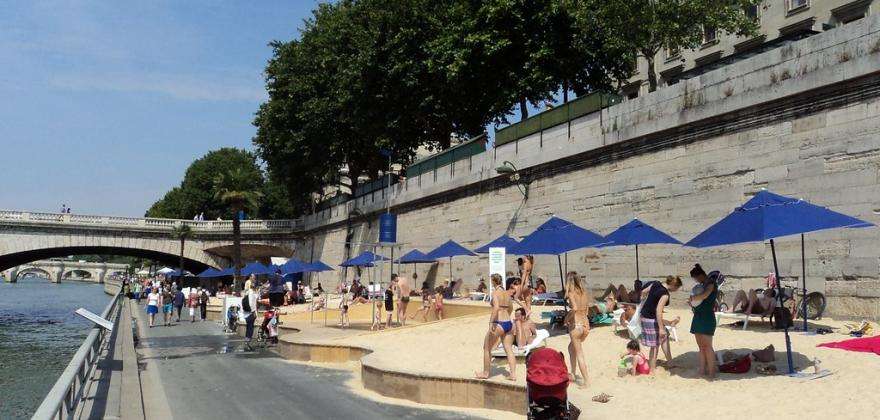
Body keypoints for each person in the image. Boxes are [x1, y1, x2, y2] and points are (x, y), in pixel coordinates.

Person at [475, 274, 516, 381]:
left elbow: (496, 307)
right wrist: (506, 316)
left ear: (493, 281)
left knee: (487, 348)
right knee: (509, 349)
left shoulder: (495, 293)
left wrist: (491, 322)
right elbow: (511, 308)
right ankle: (513, 375)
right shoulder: (506, 293)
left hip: (499, 323)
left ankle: (485, 373)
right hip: (508, 323)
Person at [639, 275, 682, 374]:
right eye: (677, 288)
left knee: (664, 337)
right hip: (650, 318)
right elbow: (658, 311)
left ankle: (670, 362)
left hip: (644, 315)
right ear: (674, 285)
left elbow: (644, 292)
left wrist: (646, 300)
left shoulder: (656, 283)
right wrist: (661, 328)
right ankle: (652, 370)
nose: (676, 290)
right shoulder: (665, 294)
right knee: (655, 345)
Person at [689, 264, 718, 378]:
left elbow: (705, 295)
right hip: (698, 316)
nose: (696, 281)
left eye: (696, 278)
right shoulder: (702, 285)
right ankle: (702, 371)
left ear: (700, 275)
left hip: (707, 317)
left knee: (707, 346)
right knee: (701, 347)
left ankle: (711, 372)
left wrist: (692, 299)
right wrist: (692, 302)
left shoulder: (711, 283)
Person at [564, 271, 590, 388]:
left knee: (579, 353)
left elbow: (574, 308)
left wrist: (566, 319)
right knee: (571, 348)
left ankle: (586, 381)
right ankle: (573, 373)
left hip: (576, 325)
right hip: (585, 324)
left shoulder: (571, 293)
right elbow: (587, 309)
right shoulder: (584, 292)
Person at [242, 282, 258, 349]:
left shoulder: (247, 292)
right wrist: (254, 312)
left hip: (246, 313)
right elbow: (251, 303)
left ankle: (247, 341)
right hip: (250, 313)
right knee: (250, 328)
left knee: (248, 327)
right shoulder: (251, 293)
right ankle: (248, 342)